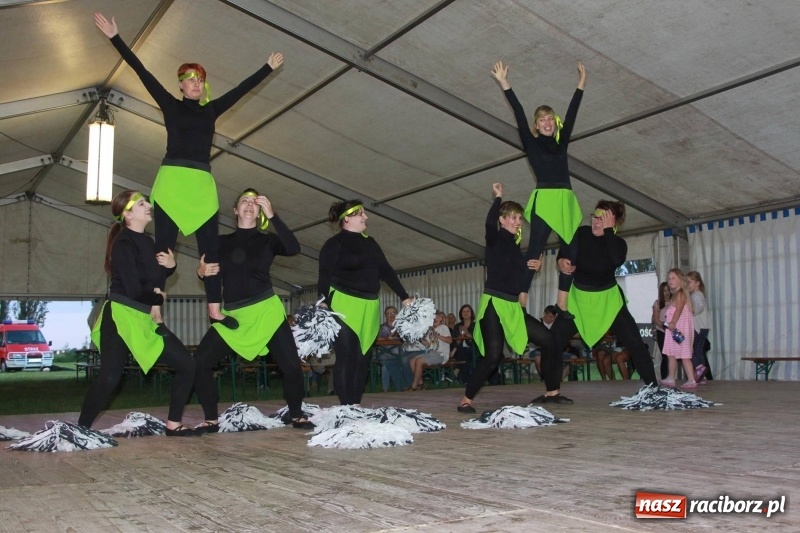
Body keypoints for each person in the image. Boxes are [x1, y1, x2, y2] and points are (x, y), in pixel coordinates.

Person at [93, 13, 284, 328]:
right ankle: (156, 305)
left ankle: (214, 308)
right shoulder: (170, 105)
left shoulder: (211, 110)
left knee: (210, 248)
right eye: (190, 80)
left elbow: (241, 90)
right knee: (163, 246)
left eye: (200, 80)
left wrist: (267, 68)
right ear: (181, 86)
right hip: (172, 180)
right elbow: (142, 72)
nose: (196, 85)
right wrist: (116, 38)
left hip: (200, 183)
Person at [192, 189, 312, 432]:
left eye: (254, 203)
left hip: (266, 311)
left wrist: (274, 215)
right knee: (199, 363)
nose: (249, 205)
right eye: (244, 201)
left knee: (291, 366)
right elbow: (209, 272)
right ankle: (211, 419)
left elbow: (293, 247)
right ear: (235, 210)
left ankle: (297, 415)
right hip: (233, 315)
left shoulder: (267, 240)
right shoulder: (219, 242)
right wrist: (200, 272)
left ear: (259, 212)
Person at [79, 191, 197, 436]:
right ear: (128, 214)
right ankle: (82, 429)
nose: (148, 206)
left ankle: (174, 425)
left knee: (187, 364)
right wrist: (158, 298)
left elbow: (153, 279)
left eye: (147, 202)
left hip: (144, 318)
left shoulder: (148, 242)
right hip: (120, 316)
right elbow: (134, 290)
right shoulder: (124, 242)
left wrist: (171, 268)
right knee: (110, 377)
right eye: (142, 203)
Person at [457, 183, 566, 414]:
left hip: (512, 306)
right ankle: (466, 400)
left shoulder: (515, 247)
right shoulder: (495, 238)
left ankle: (552, 392)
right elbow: (488, 223)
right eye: (514, 217)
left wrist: (535, 267)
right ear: (503, 219)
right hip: (493, 305)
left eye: (519, 218)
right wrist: (498, 197)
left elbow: (516, 275)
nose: (518, 221)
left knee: (549, 340)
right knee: (493, 355)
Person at [491, 60, 586, 313]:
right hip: (545, 197)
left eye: (550, 119)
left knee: (573, 248)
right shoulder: (531, 143)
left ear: (554, 123)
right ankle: (522, 298)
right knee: (535, 249)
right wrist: (505, 83)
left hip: (565, 198)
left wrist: (580, 85)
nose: (547, 123)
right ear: (536, 125)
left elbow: (572, 114)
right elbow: (519, 113)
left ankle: (562, 302)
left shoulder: (561, 142)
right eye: (542, 120)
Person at [551, 200, 658, 388]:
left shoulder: (617, 243)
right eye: (595, 217)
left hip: (609, 301)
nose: (596, 222)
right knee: (552, 342)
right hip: (579, 300)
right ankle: (551, 391)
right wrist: (560, 262)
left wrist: (608, 231)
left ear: (613, 222)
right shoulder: (581, 233)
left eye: (602, 219)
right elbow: (564, 253)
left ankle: (653, 389)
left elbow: (616, 260)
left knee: (635, 344)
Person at [318, 200, 413, 405]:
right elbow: (324, 276)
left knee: (362, 360)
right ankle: (346, 408)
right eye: (361, 213)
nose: (366, 217)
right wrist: (324, 302)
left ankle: (355, 405)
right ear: (348, 218)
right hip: (343, 305)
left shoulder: (370, 242)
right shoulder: (333, 244)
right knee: (347, 357)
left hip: (369, 306)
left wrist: (404, 296)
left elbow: (385, 270)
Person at [661, 269, 696, 389]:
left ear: (680, 280)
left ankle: (691, 379)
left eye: (673, 278)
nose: (670, 280)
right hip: (673, 331)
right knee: (671, 353)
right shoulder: (675, 295)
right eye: (669, 278)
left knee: (685, 355)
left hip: (679, 329)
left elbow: (679, 309)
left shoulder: (680, 294)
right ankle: (671, 377)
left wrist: (673, 322)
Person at [407, 311, 452, 391]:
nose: (434, 319)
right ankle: (421, 384)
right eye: (432, 317)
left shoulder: (443, 327)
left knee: (419, 361)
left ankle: (414, 386)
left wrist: (437, 335)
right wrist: (420, 338)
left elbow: (449, 340)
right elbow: (428, 345)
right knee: (412, 361)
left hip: (441, 354)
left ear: (441, 318)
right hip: (431, 353)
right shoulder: (430, 330)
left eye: (437, 317)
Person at [376, 306, 411, 392]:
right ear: (385, 315)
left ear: (397, 314)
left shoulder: (402, 326)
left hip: (399, 353)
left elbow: (407, 339)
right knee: (388, 363)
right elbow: (384, 342)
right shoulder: (382, 327)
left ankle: (411, 385)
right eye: (389, 313)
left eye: (393, 313)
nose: (391, 315)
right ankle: (403, 387)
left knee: (406, 360)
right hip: (384, 353)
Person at [687, 271, 711, 384]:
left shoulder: (698, 295)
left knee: (692, 350)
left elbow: (700, 306)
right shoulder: (694, 295)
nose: (688, 284)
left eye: (689, 282)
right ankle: (702, 376)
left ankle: (699, 368)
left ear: (697, 283)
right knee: (698, 351)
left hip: (700, 327)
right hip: (701, 327)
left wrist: (693, 311)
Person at [452, 304, 476, 384]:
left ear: (471, 313)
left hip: (473, 349)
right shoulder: (457, 326)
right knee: (464, 354)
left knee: (465, 352)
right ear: (461, 314)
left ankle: (456, 371)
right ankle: (466, 381)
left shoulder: (475, 325)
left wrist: (467, 333)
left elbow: (476, 341)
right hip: (460, 350)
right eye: (464, 311)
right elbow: (456, 342)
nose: (466, 313)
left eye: (468, 311)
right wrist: (461, 334)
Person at [652, 282, 671, 379]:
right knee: (665, 356)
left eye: (668, 290)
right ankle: (664, 378)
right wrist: (664, 327)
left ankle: (671, 378)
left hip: (673, 332)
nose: (667, 293)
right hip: (662, 332)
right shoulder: (657, 303)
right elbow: (656, 319)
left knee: (674, 356)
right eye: (664, 291)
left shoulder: (675, 301)